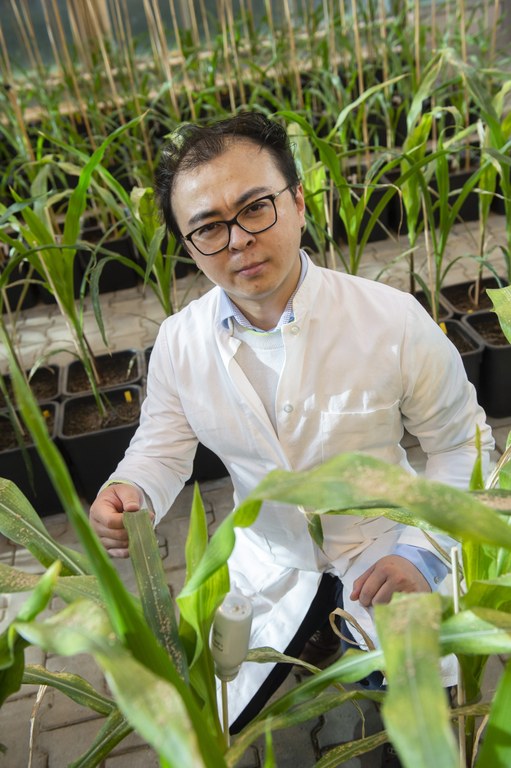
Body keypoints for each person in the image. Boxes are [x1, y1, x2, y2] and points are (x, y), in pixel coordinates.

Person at [89, 112, 493, 749]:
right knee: (227, 734)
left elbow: (462, 446)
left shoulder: (389, 320)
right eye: (209, 228)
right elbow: (161, 449)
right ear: (189, 246)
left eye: (256, 208)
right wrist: (129, 490)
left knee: (419, 737)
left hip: (385, 553)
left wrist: (422, 555)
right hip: (269, 565)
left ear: (299, 203)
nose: (239, 241)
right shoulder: (179, 343)